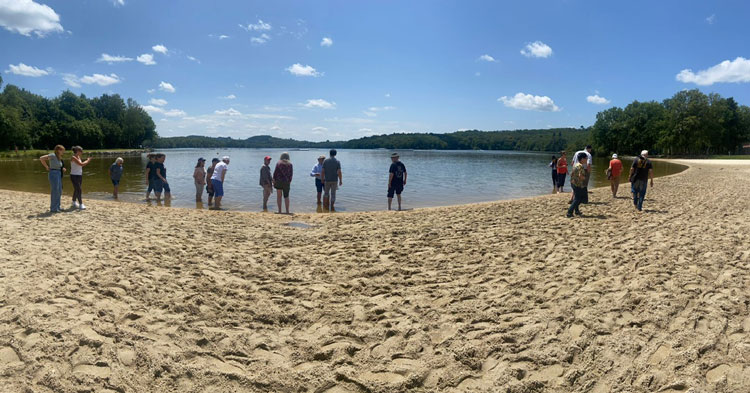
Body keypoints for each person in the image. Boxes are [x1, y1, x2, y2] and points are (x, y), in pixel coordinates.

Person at [39, 145, 66, 213]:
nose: (63, 152)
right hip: (53, 174)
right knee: (55, 191)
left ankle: (58, 207)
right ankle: (53, 208)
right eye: (62, 150)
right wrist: (46, 167)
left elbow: (57, 165)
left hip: (58, 173)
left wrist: (62, 169)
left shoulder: (58, 157)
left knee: (59, 190)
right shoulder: (53, 155)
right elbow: (41, 158)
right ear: (58, 150)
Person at [567, 153, 588, 218]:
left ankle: (576, 211)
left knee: (577, 197)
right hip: (578, 184)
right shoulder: (581, 166)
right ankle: (569, 212)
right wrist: (584, 178)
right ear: (582, 159)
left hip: (573, 183)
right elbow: (580, 176)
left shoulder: (575, 165)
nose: (587, 159)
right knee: (578, 198)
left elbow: (571, 174)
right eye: (585, 158)